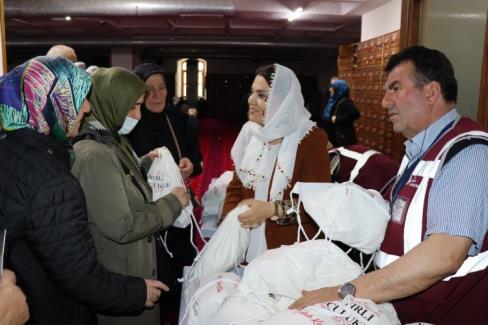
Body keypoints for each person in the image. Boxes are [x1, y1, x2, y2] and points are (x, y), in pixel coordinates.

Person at [290, 46, 488, 324]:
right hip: (401, 310)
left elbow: (445, 254)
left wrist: (344, 292)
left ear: (431, 92)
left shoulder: (468, 153)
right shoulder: (419, 152)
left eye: (395, 88)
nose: (385, 102)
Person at [0, 56, 165, 325]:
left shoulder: (10, 146)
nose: (87, 108)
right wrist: (135, 292)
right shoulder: (53, 180)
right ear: (52, 103)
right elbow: (78, 273)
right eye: (78, 99)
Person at [70, 67, 190, 325]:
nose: (137, 115)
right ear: (111, 102)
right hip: (120, 276)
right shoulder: (95, 153)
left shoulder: (109, 139)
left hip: (129, 268)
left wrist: (146, 162)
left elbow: (119, 179)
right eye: (132, 107)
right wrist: (172, 204)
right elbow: (121, 226)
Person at [222, 64, 331, 262]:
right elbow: (236, 189)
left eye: (262, 95)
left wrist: (272, 210)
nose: (251, 100)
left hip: (292, 253)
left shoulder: (310, 139)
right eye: (252, 93)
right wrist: (227, 228)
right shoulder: (252, 132)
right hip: (248, 245)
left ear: (284, 102)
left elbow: (319, 205)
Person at [128, 63, 203, 323]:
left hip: (179, 206)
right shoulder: (131, 123)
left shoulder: (178, 119)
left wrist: (190, 164)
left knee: (182, 261)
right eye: (149, 91)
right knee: (157, 265)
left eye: (161, 88)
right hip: (148, 210)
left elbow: (197, 156)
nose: (157, 95)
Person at [322, 78, 360, 146]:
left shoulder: (344, 102)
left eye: (332, 88)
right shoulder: (333, 100)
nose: (330, 89)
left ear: (338, 89)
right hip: (332, 136)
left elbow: (355, 113)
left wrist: (337, 119)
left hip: (340, 138)